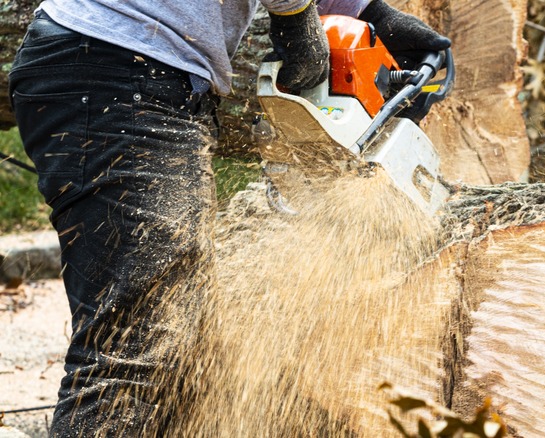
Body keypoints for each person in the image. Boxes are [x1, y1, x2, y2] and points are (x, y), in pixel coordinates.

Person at [8, 0, 450, 436]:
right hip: (116, 64)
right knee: (138, 350)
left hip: (138, 71)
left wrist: (371, 15)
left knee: (185, 346)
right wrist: (295, 18)